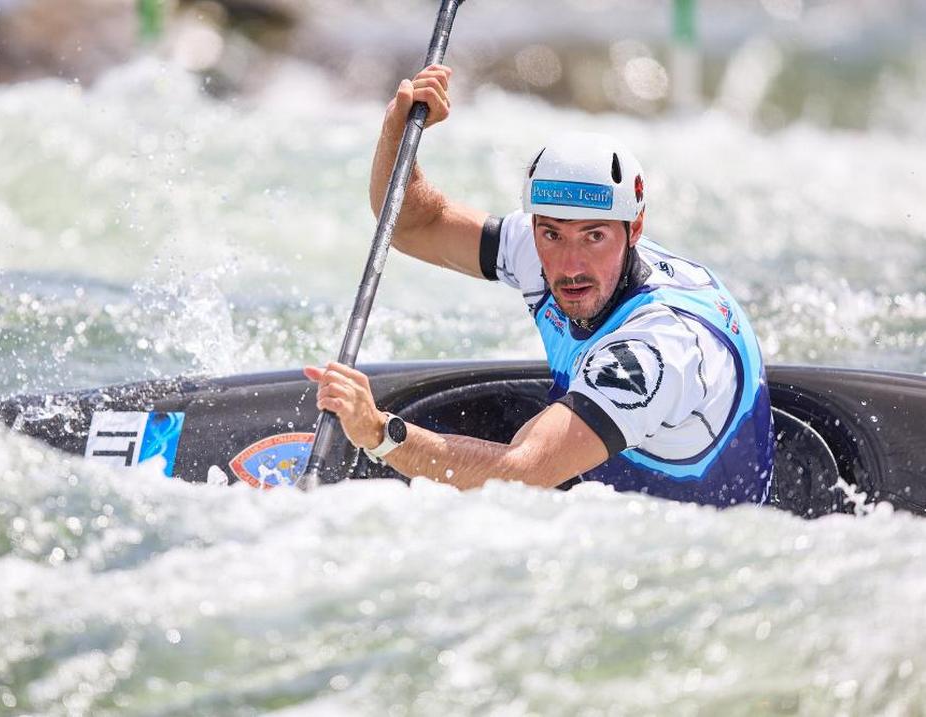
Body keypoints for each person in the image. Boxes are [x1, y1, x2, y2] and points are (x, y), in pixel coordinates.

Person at [304, 65, 775, 506]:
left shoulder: (655, 352)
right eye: (551, 233)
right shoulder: (539, 247)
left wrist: (379, 433)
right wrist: (399, 128)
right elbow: (414, 225)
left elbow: (522, 471)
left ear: (634, 229)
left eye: (594, 236)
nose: (570, 264)